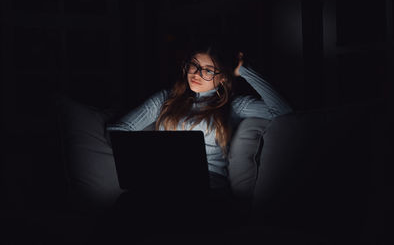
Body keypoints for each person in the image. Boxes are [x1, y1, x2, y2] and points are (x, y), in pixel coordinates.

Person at [104, 39, 293, 244]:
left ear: (222, 78)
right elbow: (118, 130)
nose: (196, 74)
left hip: (209, 195)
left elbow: (283, 112)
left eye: (208, 70)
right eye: (193, 65)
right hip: (163, 188)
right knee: (127, 204)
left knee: (179, 214)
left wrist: (245, 71)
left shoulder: (234, 106)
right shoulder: (164, 100)